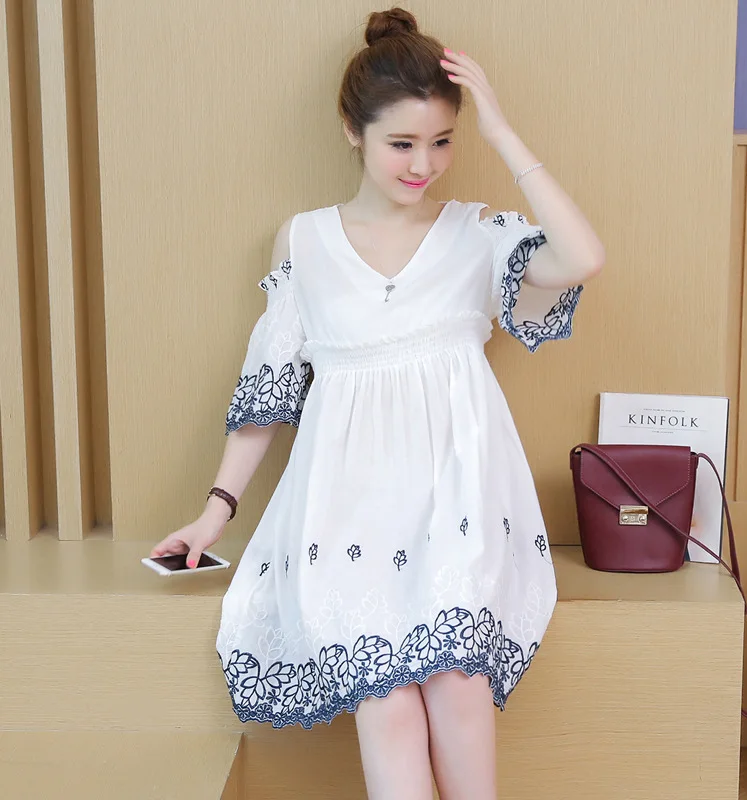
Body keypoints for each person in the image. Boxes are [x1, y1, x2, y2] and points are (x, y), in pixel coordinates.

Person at [151, 6, 604, 799]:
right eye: (402, 143)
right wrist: (214, 513)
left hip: (457, 504)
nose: (425, 164)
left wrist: (501, 131)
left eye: (444, 141)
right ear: (352, 132)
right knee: (386, 709)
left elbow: (582, 257)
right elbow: (269, 388)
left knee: (459, 691)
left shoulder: (478, 234)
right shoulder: (304, 241)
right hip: (346, 513)